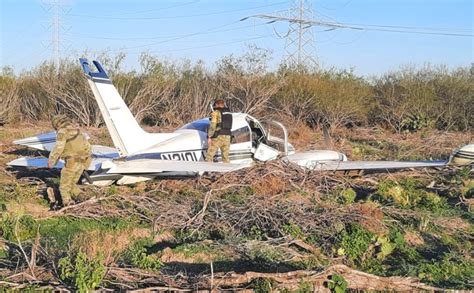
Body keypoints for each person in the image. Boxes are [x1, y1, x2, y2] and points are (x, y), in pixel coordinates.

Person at [47, 115, 91, 207]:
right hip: (82, 161)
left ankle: (68, 204)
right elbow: (88, 147)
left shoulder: (62, 132)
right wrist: (86, 163)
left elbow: (58, 148)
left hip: (71, 163)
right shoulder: (78, 131)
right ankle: (83, 197)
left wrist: (51, 161)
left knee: (64, 187)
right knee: (71, 184)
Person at [206, 99, 232, 163]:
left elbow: (213, 126)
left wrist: (209, 136)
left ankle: (207, 170)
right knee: (225, 157)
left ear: (217, 104)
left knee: (209, 156)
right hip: (228, 136)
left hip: (218, 136)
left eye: (215, 105)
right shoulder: (229, 113)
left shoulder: (216, 113)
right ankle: (227, 171)